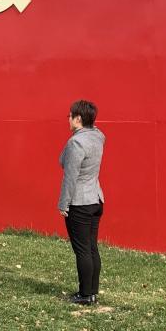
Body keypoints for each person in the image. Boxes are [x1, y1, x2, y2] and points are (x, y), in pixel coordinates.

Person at [58, 99, 105, 305]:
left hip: (80, 202)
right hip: (96, 198)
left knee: (82, 250)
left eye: (70, 116)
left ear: (78, 119)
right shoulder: (98, 136)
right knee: (92, 247)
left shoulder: (75, 143)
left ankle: (85, 294)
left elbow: (70, 176)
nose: (67, 119)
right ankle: (92, 292)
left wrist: (63, 204)